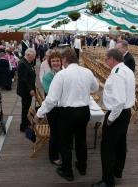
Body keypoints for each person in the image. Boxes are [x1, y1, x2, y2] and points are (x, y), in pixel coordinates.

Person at [35, 48, 99, 181]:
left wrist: (39, 114)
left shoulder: (62, 75)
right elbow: (95, 88)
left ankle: (67, 171)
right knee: (81, 140)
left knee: (66, 143)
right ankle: (82, 167)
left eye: (61, 60)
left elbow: (51, 99)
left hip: (68, 113)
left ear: (64, 59)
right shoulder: (87, 72)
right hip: (84, 111)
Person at [92, 49, 135, 187]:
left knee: (107, 148)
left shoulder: (117, 74)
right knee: (121, 144)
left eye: (106, 59)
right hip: (125, 113)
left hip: (117, 114)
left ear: (112, 59)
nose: (106, 61)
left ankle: (107, 181)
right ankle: (117, 171)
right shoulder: (126, 70)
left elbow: (119, 101)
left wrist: (110, 119)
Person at [42, 50, 62, 166]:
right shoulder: (47, 76)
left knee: (62, 131)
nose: (56, 63)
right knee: (54, 132)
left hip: (64, 108)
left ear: (61, 62)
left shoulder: (65, 73)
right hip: (53, 109)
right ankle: (53, 156)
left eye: (58, 61)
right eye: (53, 61)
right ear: (50, 63)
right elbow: (50, 93)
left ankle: (60, 151)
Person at [17, 48, 36, 132]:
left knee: (27, 107)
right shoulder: (22, 63)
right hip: (25, 90)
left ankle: (26, 122)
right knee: (25, 108)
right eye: (33, 56)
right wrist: (30, 89)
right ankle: (23, 126)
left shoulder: (28, 62)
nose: (34, 57)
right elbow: (23, 79)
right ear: (28, 55)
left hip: (28, 89)